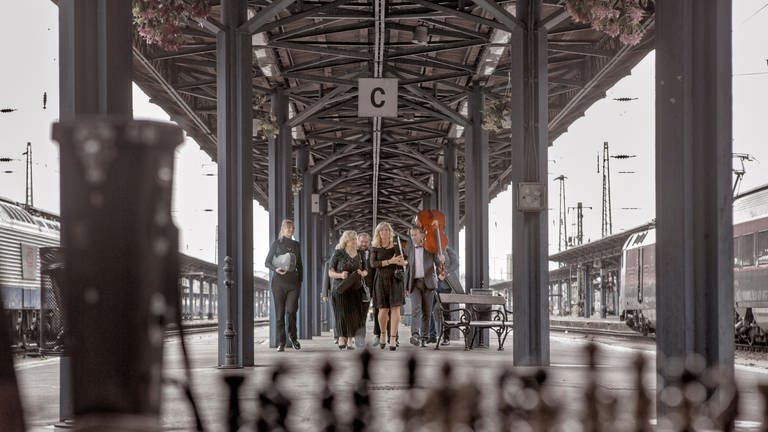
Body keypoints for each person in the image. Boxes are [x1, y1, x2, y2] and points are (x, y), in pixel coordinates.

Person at [265, 219, 303, 352]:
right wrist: (275, 269)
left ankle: (293, 337)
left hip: (294, 283)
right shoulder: (276, 243)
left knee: (291, 311)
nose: (291, 230)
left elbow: (300, 264)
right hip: (279, 283)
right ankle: (281, 342)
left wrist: (300, 282)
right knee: (280, 314)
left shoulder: (296, 245)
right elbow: (267, 262)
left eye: (293, 228)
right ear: (283, 229)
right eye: (289, 228)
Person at [327, 230, 368, 350]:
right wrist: (340, 275)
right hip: (340, 288)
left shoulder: (360, 253)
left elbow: (366, 270)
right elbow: (330, 272)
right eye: (353, 239)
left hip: (356, 289)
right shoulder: (338, 253)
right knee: (341, 314)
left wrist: (362, 273)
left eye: (356, 239)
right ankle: (341, 337)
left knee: (354, 315)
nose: (355, 242)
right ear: (346, 241)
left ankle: (350, 340)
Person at [370, 222, 407, 351]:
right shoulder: (375, 247)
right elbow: (373, 264)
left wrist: (403, 262)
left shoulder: (396, 245)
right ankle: (382, 334)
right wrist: (390, 261)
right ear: (378, 233)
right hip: (380, 280)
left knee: (396, 309)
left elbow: (405, 260)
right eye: (382, 230)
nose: (384, 232)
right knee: (383, 310)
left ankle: (392, 338)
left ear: (390, 232)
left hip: (395, 280)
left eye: (386, 230)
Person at [406, 225, 443, 347]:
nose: (413, 237)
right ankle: (415, 335)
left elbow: (438, 264)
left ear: (422, 235)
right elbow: (408, 268)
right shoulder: (410, 249)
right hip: (414, 284)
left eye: (415, 234)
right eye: (411, 235)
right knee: (416, 309)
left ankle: (424, 337)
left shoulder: (430, 248)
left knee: (427, 312)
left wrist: (441, 260)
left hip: (429, 284)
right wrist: (406, 286)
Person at [429, 245, 462, 345]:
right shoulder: (431, 250)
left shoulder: (448, 250)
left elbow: (456, 264)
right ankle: (432, 335)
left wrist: (445, 272)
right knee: (428, 309)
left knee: (446, 312)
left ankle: (446, 338)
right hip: (432, 284)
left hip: (445, 285)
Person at [355, 232, 374, 347]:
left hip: (368, 288)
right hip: (354, 287)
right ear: (357, 241)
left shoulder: (373, 253)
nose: (363, 244)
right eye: (361, 241)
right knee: (354, 313)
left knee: (363, 314)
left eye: (366, 242)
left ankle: (360, 338)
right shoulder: (352, 252)